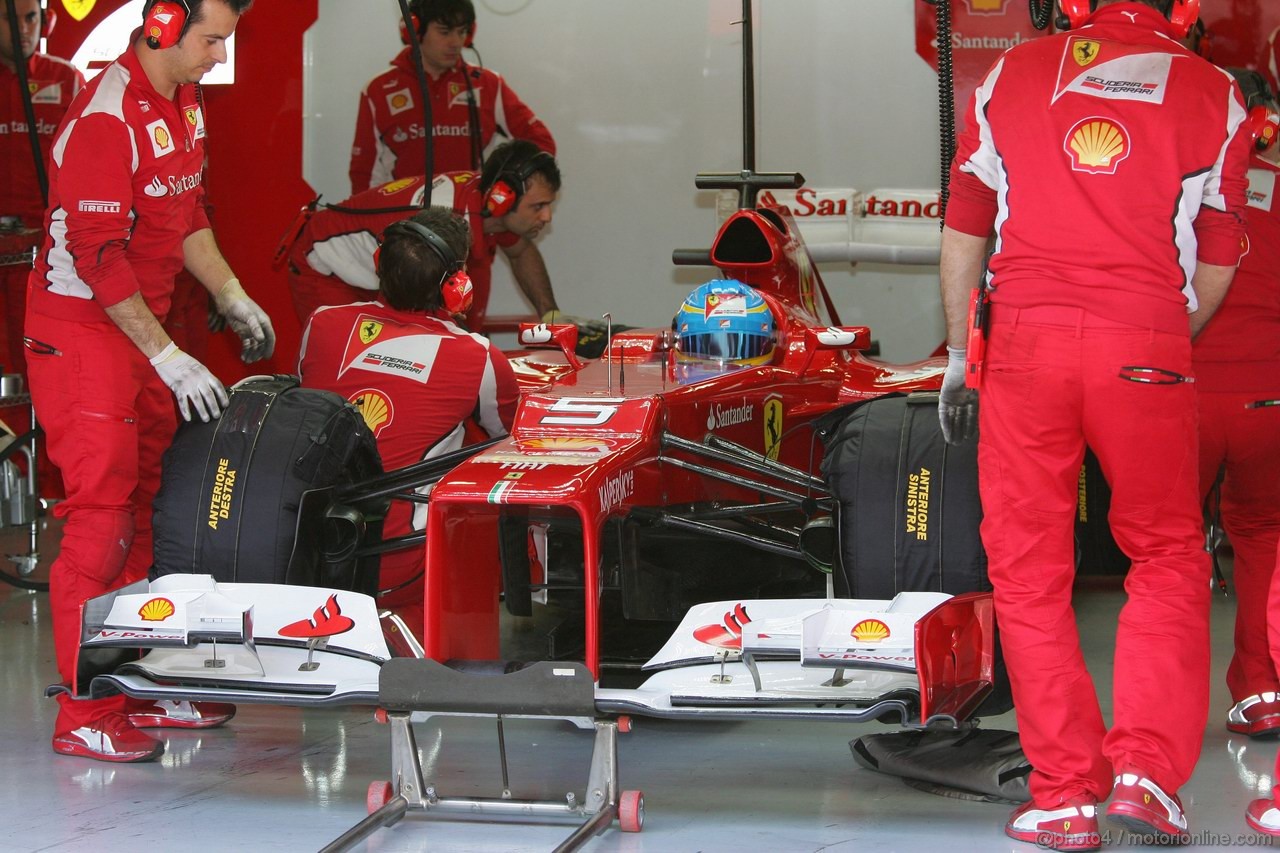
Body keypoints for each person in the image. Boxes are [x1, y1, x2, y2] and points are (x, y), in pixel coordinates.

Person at [936, 0, 1250, 848]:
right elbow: (1220, 251)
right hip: (1146, 338)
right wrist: (1162, 340)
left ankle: (1066, 794)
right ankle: (1148, 778)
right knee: (1166, 552)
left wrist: (964, 358)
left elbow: (966, 223)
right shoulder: (1218, 90)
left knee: (1029, 568)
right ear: (1183, 11)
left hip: (1026, 342)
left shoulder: (1014, 71)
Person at [26, 0, 275, 763]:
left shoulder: (186, 99)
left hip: (144, 328)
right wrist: (167, 355)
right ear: (163, 24)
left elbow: (186, 213)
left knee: (147, 509)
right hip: (83, 332)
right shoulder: (106, 116)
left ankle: (135, 679)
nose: (218, 59)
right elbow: (99, 258)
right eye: (211, 41)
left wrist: (230, 292)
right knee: (102, 519)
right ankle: (85, 708)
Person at [297, 206, 517, 641]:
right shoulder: (479, 358)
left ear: (378, 264)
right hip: (399, 565)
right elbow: (510, 437)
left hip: (308, 548)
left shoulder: (321, 323)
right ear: (458, 286)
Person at [289, 140, 599, 339]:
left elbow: (520, 252)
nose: (546, 218)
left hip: (379, 269)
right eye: (538, 206)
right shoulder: (447, 217)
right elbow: (432, 311)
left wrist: (552, 317)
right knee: (352, 367)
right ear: (503, 197)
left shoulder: (486, 200)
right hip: (324, 266)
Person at [1198, 69, 1280, 741]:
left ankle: (1155, 710)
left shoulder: (1170, 181)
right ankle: (1261, 690)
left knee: (1165, 554)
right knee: (1262, 540)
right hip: (1268, 401)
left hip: (1176, 394)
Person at [348, 0, 554, 194]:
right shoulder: (378, 90)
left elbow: (541, 143)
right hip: (405, 221)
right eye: (445, 32)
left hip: (470, 218)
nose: (456, 42)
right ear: (415, 31)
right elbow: (364, 173)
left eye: (462, 32)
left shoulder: (488, 84)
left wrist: (504, 189)